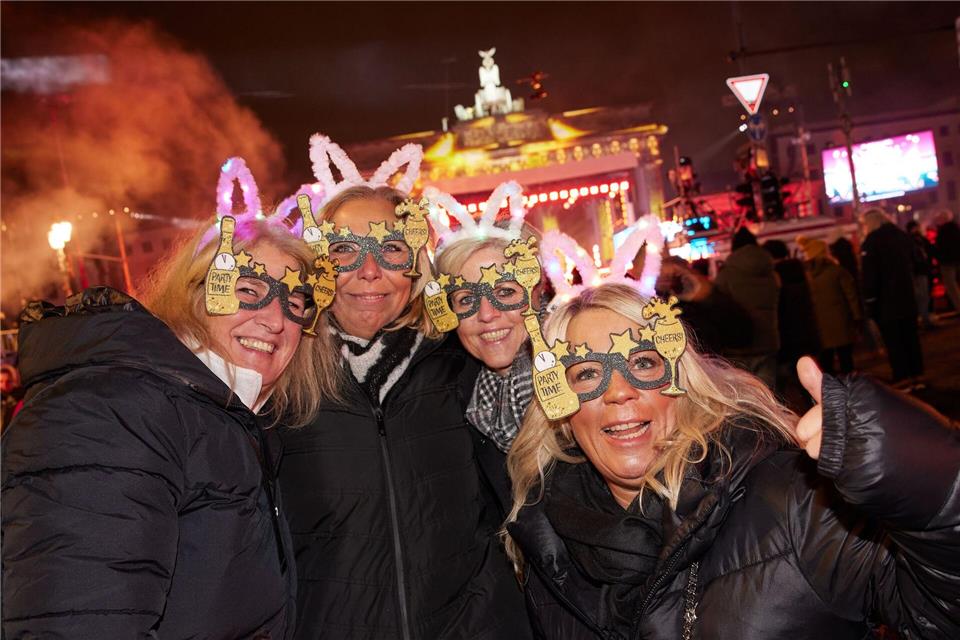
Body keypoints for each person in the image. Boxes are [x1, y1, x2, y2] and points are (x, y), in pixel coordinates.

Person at [504, 283, 960, 639]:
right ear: (561, 412)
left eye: (643, 364)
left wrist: (920, 478)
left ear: (681, 384)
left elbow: (940, 612)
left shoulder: (791, 502)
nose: (619, 391)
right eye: (585, 373)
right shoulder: (547, 542)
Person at [2, 215, 335, 638]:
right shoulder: (115, 409)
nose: (275, 321)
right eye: (248, 290)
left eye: (295, 304)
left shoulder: (233, 421)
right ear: (192, 293)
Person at [278, 186, 531, 640]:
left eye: (391, 249)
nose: (370, 271)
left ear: (415, 267)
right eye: (343, 252)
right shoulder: (281, 382)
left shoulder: (462, 364)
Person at [432, 228, 541, 454]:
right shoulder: (454, 406)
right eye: (467, 298)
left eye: (504, 292)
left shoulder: (580, 385)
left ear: (538, 294)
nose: (486, 314)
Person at [860, 207, 924, 387]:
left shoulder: (871, 243)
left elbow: (870, 276)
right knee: (911, 338)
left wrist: (870, 301)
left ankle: (903, 377)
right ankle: (918, 375)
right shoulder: (901, 236)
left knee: (894, 342)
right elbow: (917, 261)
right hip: (907, 297)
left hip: (885, 302)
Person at [714, 226, 780, 388]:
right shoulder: (770, 271)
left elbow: (716, 305)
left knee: (743, 394)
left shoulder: (726, 274)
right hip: (768, 339)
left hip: (738, 343)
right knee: (768, 392)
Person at [762, 239, 820, 411]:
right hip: (808, 329)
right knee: (810, 376)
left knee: (790, 381)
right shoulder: (800, 271)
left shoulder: (773, 278)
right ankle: (817, 407)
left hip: (787, 334)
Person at [797, 236, 861, 375]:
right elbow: (851, 296)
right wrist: (857, 316)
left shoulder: (806, 275)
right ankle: (849, 390)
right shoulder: (837, 271)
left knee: (826, 362)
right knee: (846, 359)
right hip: (841, 322)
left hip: (819, 326)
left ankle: (831, 392)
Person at [906, 220, 937, 328]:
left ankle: (925, 317)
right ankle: (925, 318)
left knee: (924, 295)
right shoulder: (913, 241)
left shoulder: (919, 240)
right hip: (919, 271)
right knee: (922, 296)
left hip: (923, 270)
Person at [934, 208, 960, 313]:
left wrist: (938, 258)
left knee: (952, 287)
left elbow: (939, 248)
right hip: (957, 260)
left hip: (947, 263)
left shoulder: (943, 232)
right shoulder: (956, 228)